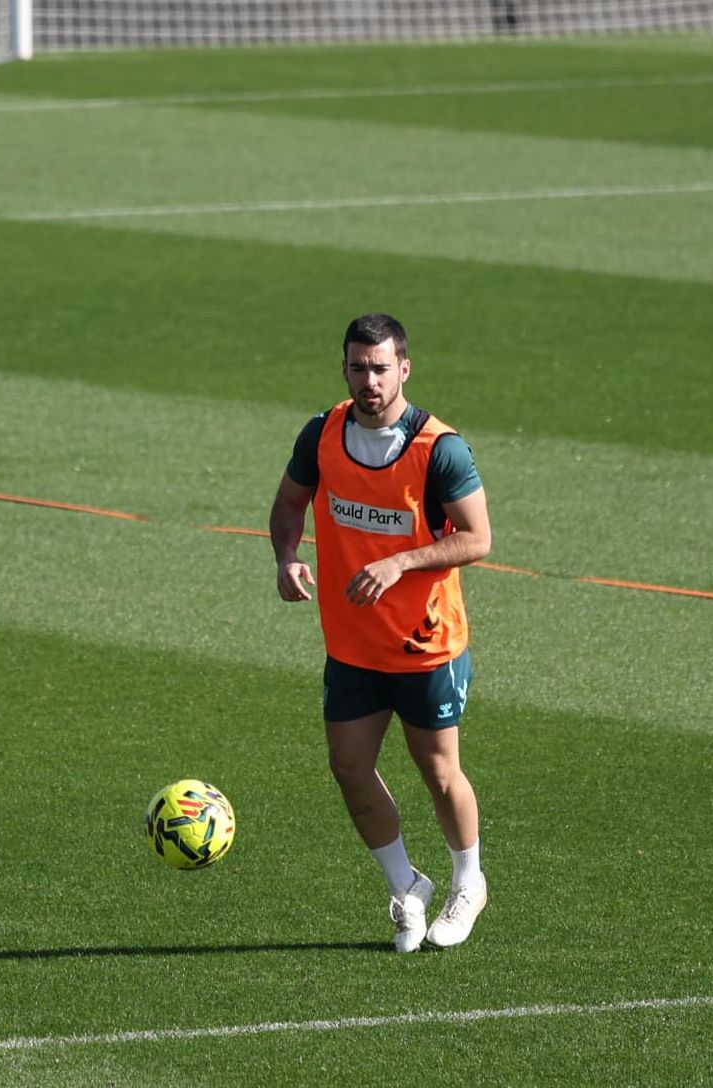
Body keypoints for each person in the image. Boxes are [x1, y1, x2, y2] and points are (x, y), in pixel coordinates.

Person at [269, 313, 492, 952]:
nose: (369, 380)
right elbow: (289, 504)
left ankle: (468, 883)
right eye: (358, 367)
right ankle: (406, 887)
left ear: (404, 370)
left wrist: (400, 561)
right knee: (348, 765)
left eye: (381, 367)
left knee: (438, 770)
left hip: (426, 645)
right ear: (344, 369)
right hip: (353, 644)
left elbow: (478, 539)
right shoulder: (322, 434)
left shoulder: (439, 449)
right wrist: (286, 557)